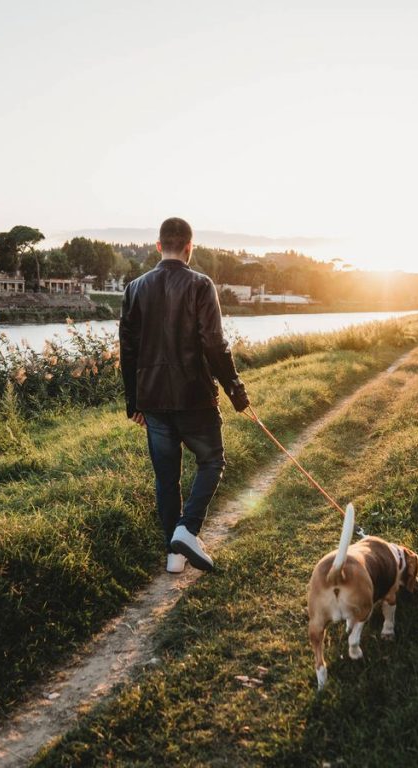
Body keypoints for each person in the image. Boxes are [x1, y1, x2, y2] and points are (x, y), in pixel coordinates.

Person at [119, 217, 249, 573]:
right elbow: (214, 345)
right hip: (194, 398)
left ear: (159, 246)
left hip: (153, 402)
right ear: (190, 248)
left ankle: (174, 556)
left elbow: (126, 351)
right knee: (212, 461)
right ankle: (188, 530)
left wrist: (134, 403)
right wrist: (235, 390)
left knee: (167, 478)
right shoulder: (201, 285)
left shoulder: (134, 288)